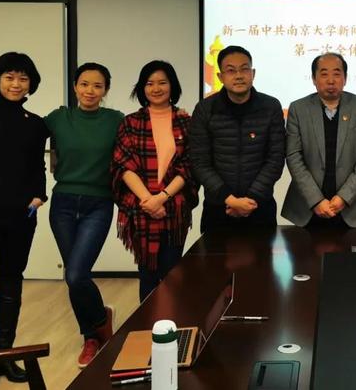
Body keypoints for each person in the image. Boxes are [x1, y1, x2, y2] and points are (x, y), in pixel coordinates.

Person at [45, 62, 124, 368]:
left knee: (77, 273)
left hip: (99, 204)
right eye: (84, 84)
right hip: (63, 204)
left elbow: (145, 131)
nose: (90, 91)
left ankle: (96, 327)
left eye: (98, 86)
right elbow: (23, 131)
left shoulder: (115, 120)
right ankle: (92, 333)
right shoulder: (59, 118)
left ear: (106, 90)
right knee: (74, 276)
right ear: (75, 86)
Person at [111, 61, 198, 302]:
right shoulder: (130, 123)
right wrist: (148, 200)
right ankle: (148, 324)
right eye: (150, 83)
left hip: (174, 207)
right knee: (147, 275)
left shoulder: (186, 122)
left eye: (162, 82)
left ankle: (173, 321)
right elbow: (123, 164)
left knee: (172, 273)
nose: (156, 88)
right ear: (142, 88)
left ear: (172, 86)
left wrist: (162, 198)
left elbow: (189, 165)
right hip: (142, 208)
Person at [0, 53, 48, 385]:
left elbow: (37, 166)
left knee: (11, 282)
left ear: (31, 84)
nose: (16, 84)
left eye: (23, 78)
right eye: (9, 77)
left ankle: (4, 356)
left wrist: (39, 195)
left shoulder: (35, 123)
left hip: (21, 217)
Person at [189, 46, 285, 232]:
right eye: (231, 70)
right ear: (220, 77)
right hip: (218, 207)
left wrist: (251, 199)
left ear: (253, 73)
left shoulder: (271, 107)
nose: (239, 76)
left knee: (263, 253)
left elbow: (275, 158)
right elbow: (199, 162)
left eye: (244, 69)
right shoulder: (205, 109)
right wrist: (230, 200)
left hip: (259, 207)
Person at [282, 53, 356, 228]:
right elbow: (293, 156)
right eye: (324, 74)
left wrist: (344, 197)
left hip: (351, 208)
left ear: (345, 78)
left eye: (337, 74)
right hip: (306, 208)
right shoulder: (298, 109)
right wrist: (315, 200)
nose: (331, 80)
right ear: (313, 79)